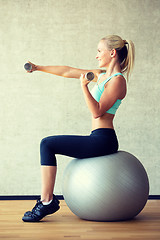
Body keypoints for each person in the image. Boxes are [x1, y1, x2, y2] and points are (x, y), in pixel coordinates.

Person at [22, 35, 135, 222]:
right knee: (48, 144)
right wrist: (38, 68)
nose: (97, 55)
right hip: (97, 136)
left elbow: (97, 112)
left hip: (104, 140)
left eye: (100, 51)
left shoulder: (117, 81)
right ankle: (47, 200)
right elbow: (68, 71)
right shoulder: (101, 75)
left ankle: (47, 201)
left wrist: (83, 88)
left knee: (47, 144)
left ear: (112, 53)